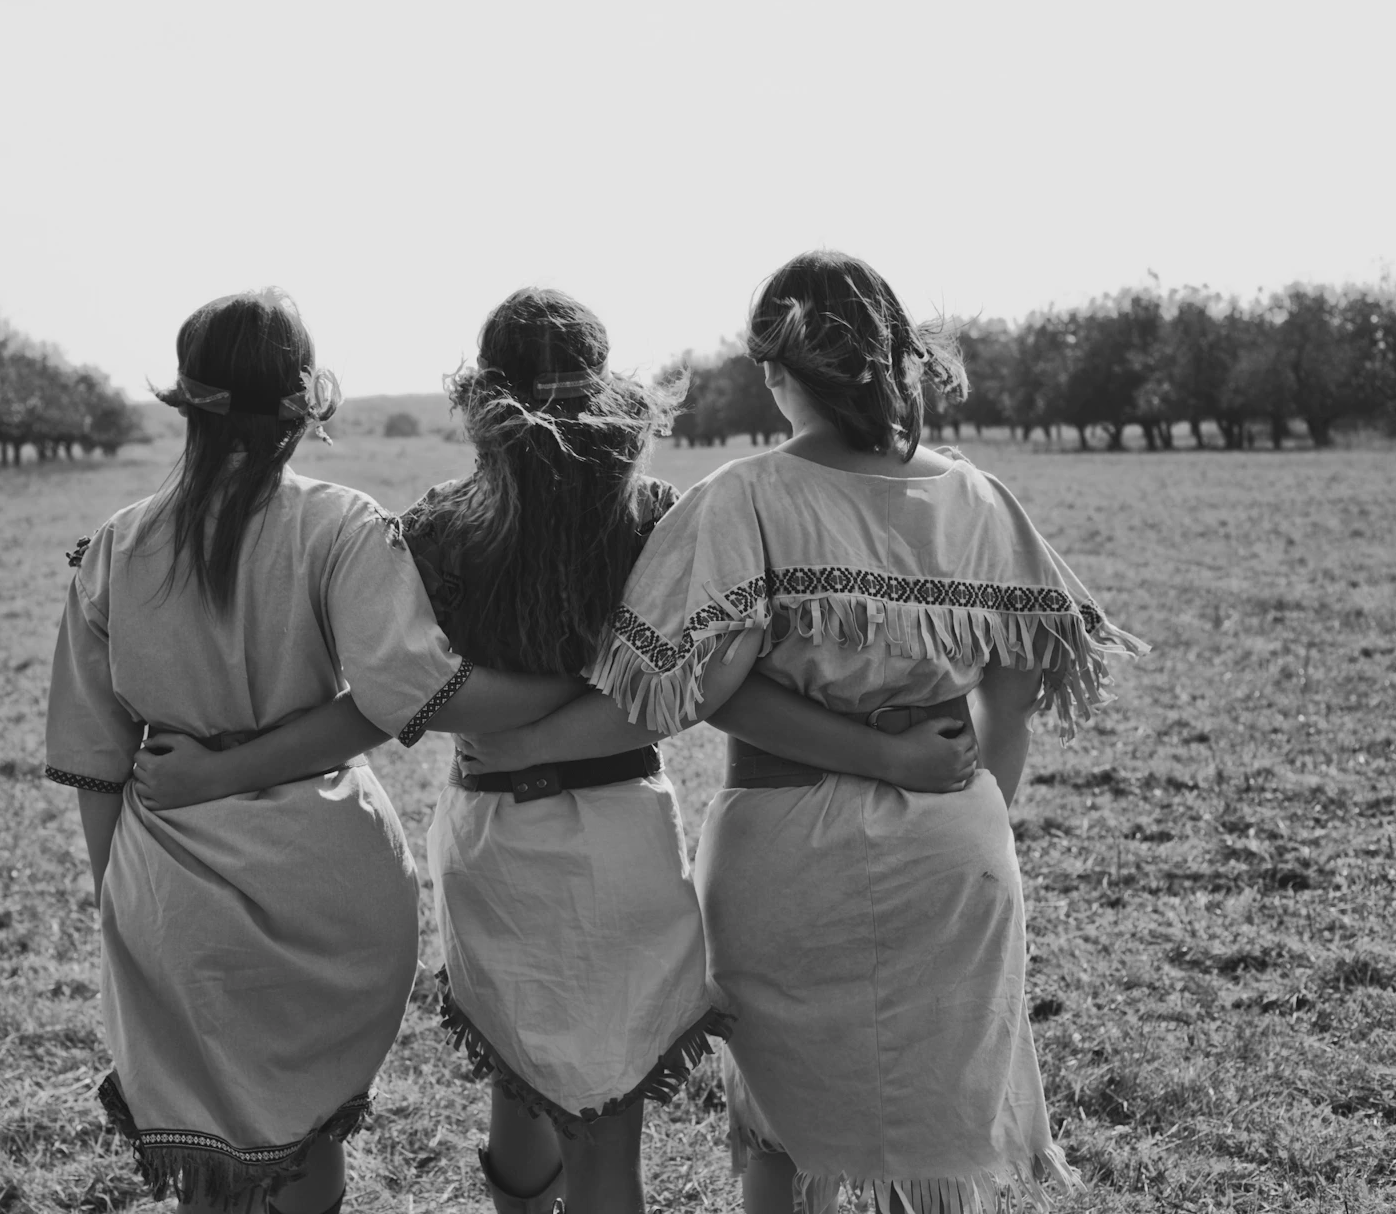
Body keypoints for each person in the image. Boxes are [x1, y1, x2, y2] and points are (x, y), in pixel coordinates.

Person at [136, 287, 983, 1214]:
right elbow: (704, 681)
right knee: (605, 1125)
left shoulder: (432, 529)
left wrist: (514, 736)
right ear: (607, 382)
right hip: (621, 827)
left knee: (519, 1074)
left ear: (484, 390)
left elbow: (394, 695)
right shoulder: (665, 515)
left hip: (490, 832)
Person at [458, 252, 1148, 1214]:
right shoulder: (982, 502)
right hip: (954, 842)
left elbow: (699, 689)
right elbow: (1016, 700)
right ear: (896, 361)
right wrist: (950, 803)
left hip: (782, 841)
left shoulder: (745, 499)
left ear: (777, 373)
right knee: (942, 1133)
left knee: (780, 1134)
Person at [43, 289, 586, 1214]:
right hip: (329, 880)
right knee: (306, 1146)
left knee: (207, 1163)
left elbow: (95, 758)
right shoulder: (342, 528)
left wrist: (119, 901)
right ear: (304, 405)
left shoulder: (113, 550)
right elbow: (405, 696)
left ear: (187, 403)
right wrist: (574, 686)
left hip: (168, 887)